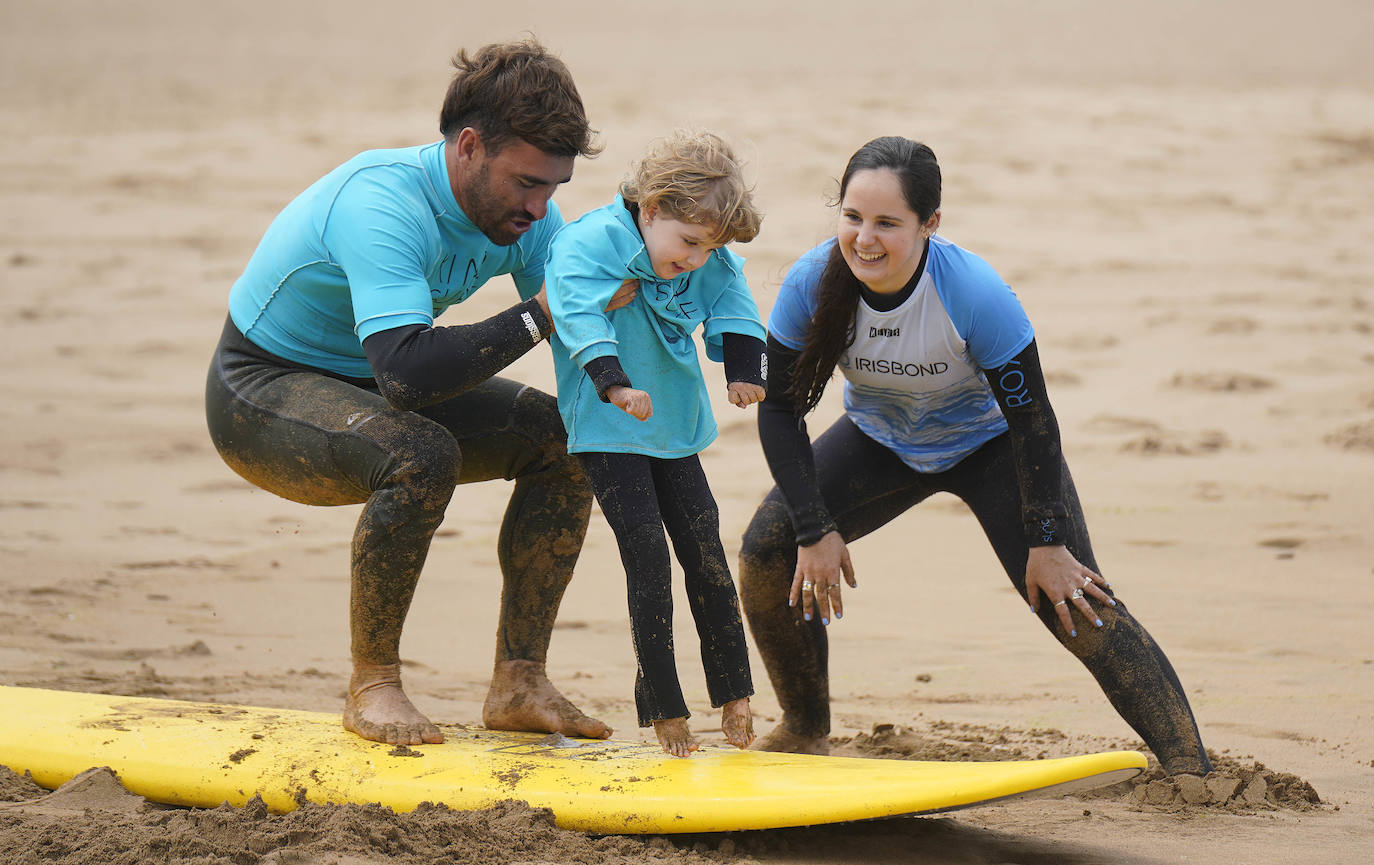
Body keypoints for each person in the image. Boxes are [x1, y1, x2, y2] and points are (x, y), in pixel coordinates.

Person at [205, 39, 634, 746]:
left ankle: (520, 680)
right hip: (258, 390)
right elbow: (408, 374)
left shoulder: (528, 220)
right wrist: (540, 314)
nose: (539, 205)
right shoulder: (381, 203)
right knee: (420, 453)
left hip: (369, 385)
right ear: (469, 146)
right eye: (527, 182)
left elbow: (580, 336)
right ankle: (373, 684)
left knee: (562, 438)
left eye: (554, 187)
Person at [738, 136, 1212, 775]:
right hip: (883, 440)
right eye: (852, 217)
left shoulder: (974, 293)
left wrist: (1047, 541)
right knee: (768, 549)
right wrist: (814, 527)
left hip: (993, 448)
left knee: (1075, 600)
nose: (864, 239)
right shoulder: (812, 282)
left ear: (930, 224)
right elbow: (779, 409)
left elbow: (1035, 421)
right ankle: (803, 728)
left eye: (887, 223)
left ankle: (1191, 772)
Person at [544, 131, 767, 756]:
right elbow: (577, 312)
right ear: (650, 209)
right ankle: (665, 711)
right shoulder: (590, 242)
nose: (697, 258)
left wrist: (745, 370)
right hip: (606, 428)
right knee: (647, 560)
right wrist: (614, 385)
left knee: (707, 555)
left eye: (709, 246)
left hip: (671, 425)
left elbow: (733, 302)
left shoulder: (707, 257)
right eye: (689, 242)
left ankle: (737, 696)